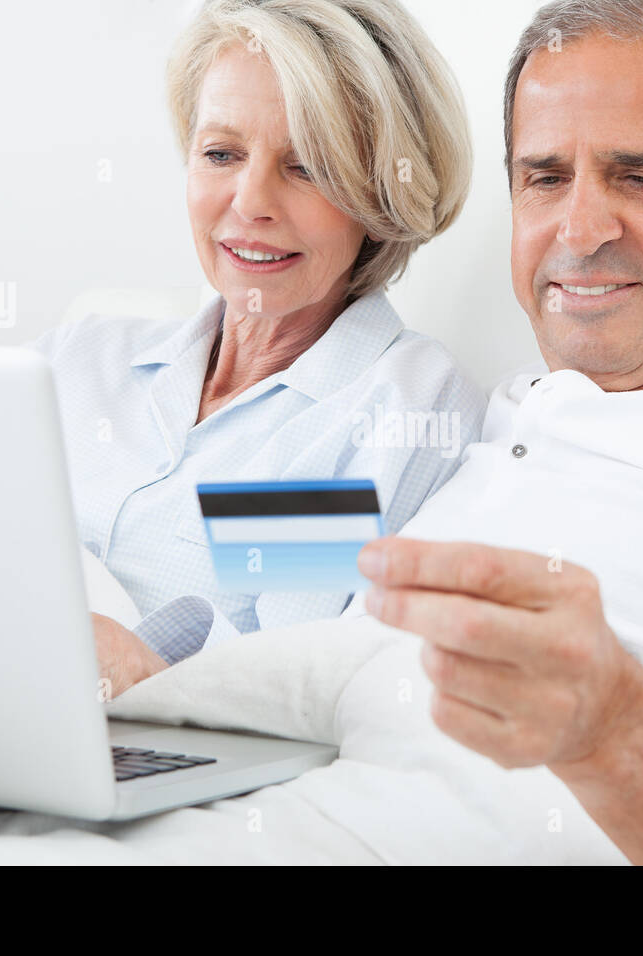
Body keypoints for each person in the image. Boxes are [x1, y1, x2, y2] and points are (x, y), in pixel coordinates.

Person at [103, 0, 643, 864]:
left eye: (640, 176)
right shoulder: (477, 425)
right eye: (545, 178)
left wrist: (620, 734)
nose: (580, 228)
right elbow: (218, 558)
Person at [31, 0, 484, 671]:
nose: (249, 202)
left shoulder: (386, 406)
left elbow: (275, 674)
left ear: (383, 198)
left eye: (307, 167)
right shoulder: (78, 358)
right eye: (221, 153)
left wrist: (114, 659)